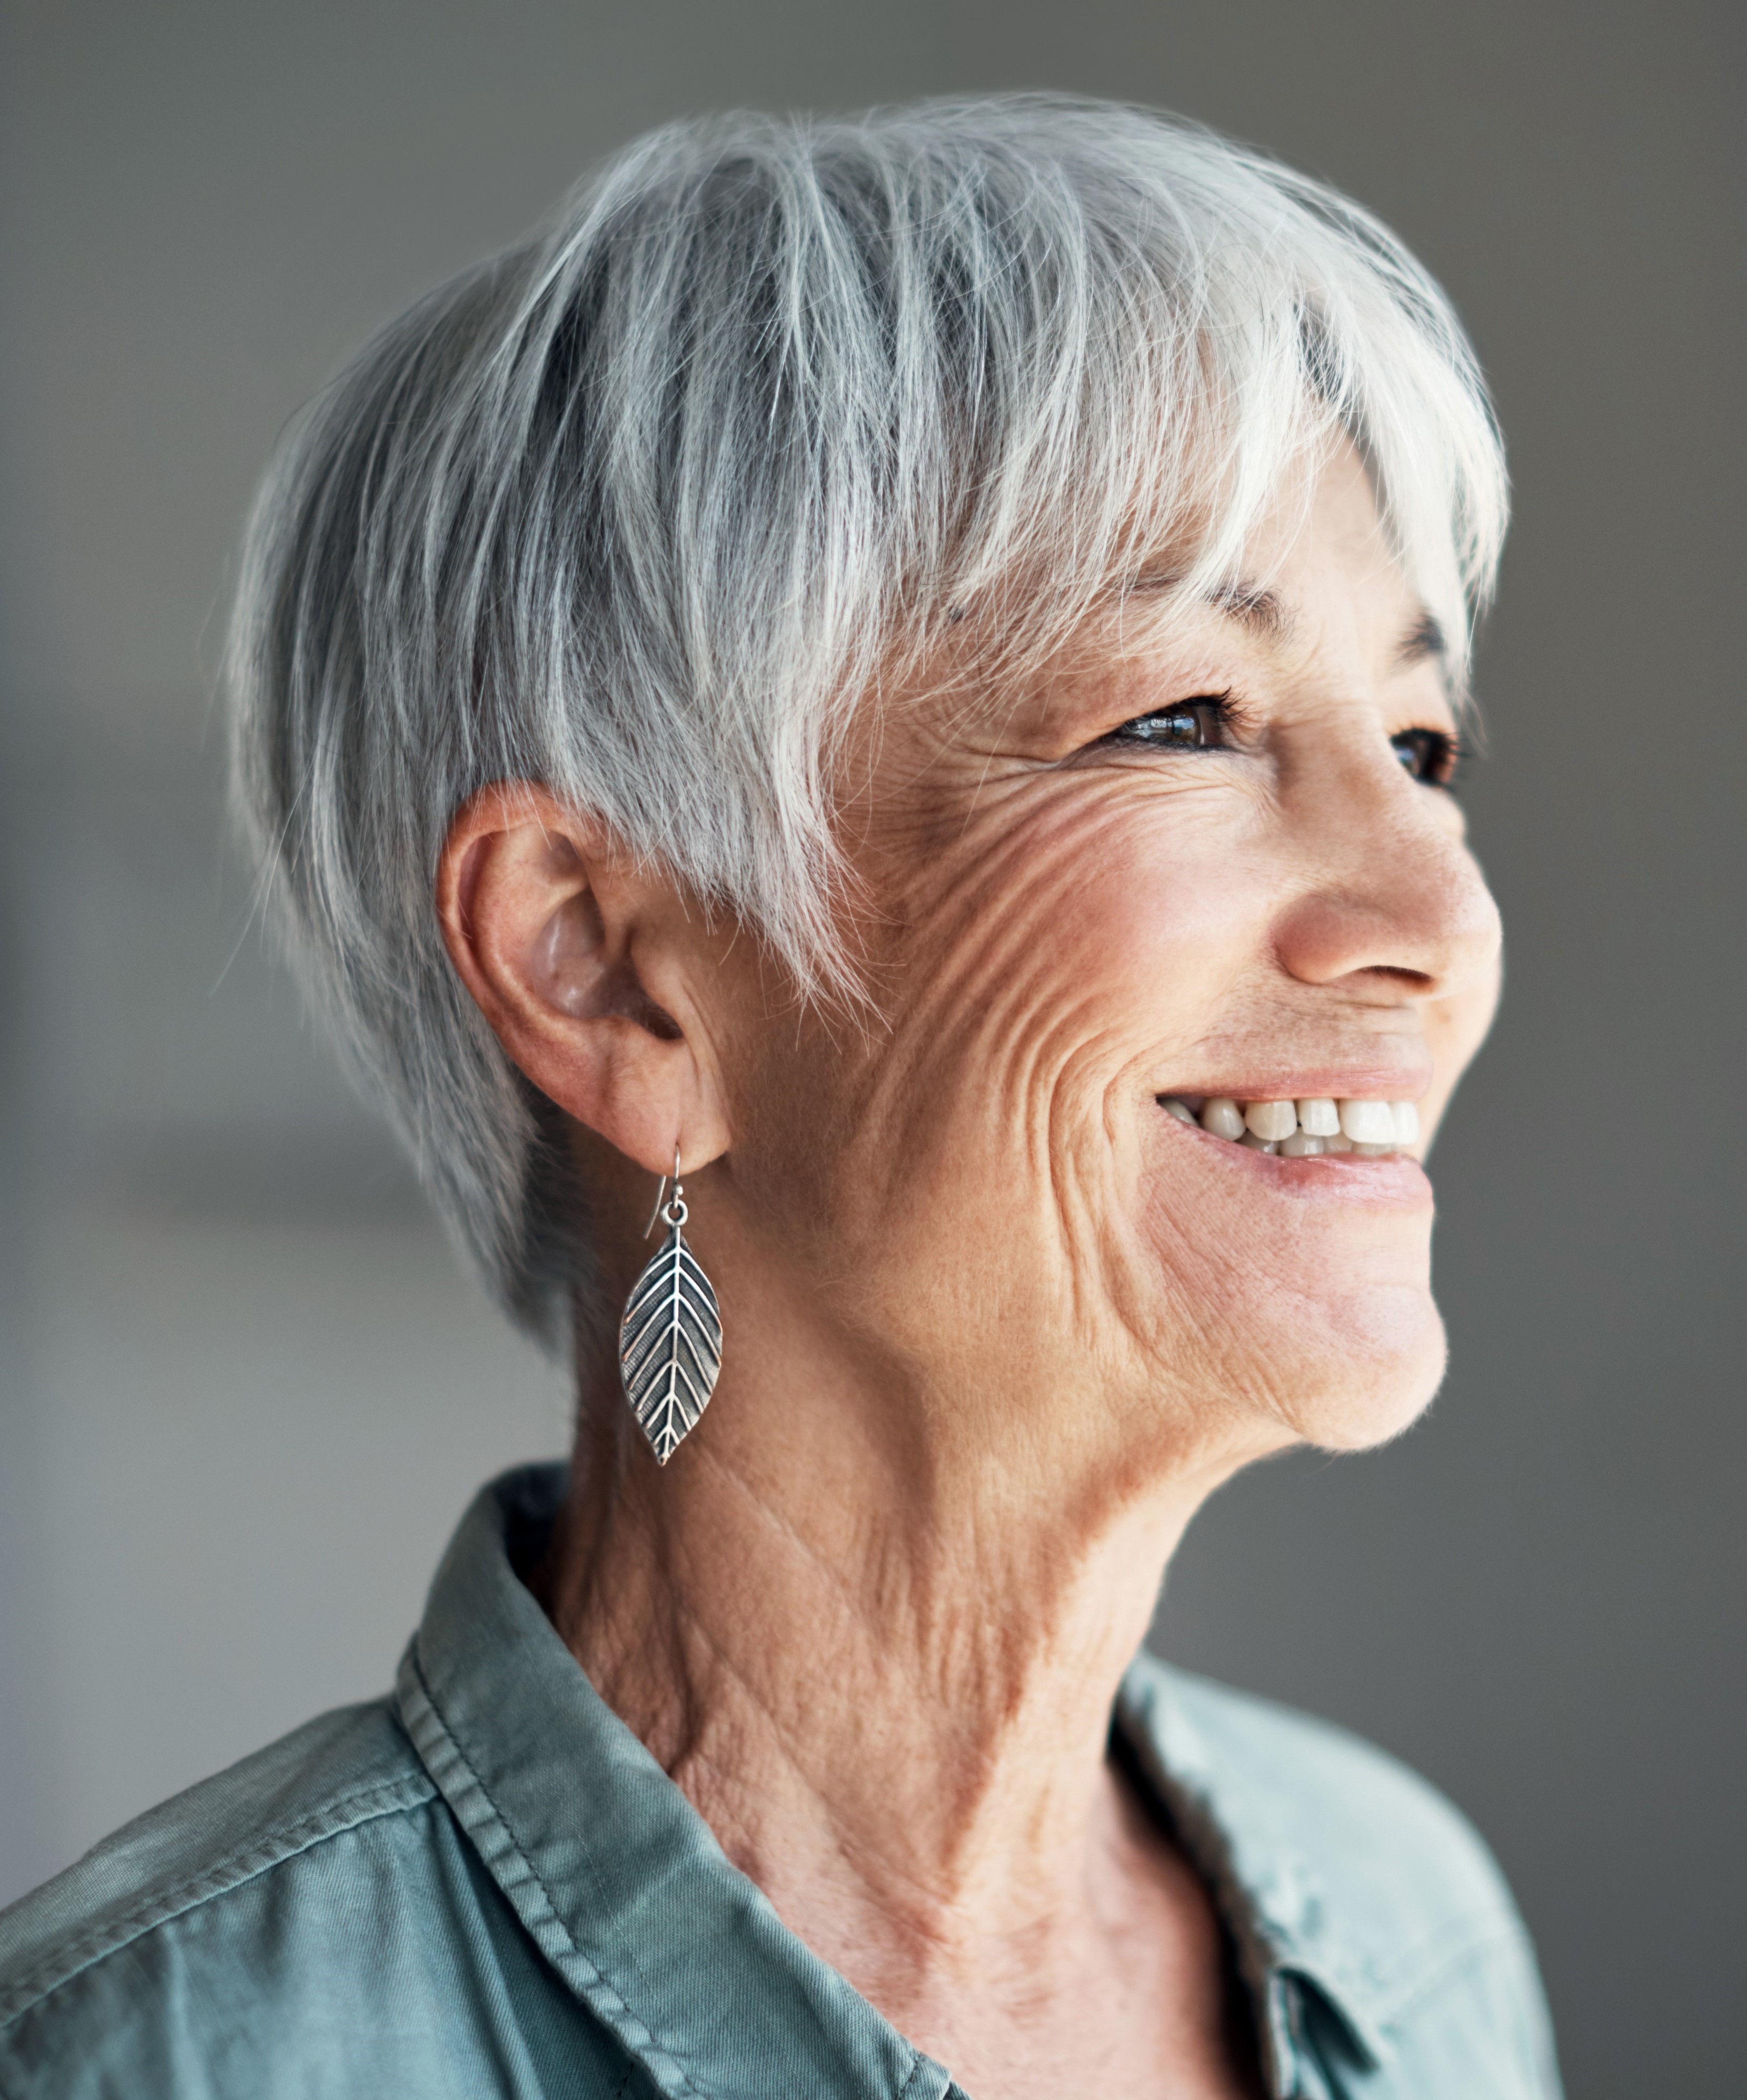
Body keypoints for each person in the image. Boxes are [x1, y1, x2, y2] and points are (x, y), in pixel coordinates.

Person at [0, 96, 1558, 2099]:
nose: (1440, 912)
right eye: (1186, 717)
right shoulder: (163, 2063)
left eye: (1424, 744)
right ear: (614, 970)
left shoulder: (1414, 1936)